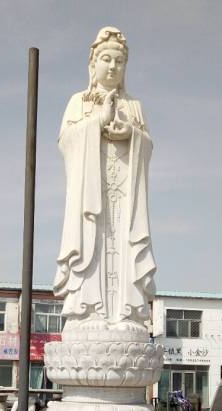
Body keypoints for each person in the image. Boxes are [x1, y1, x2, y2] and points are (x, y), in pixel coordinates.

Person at [53, 26, 156, 338]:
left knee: (125, 243)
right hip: (90, 197)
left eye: (119, 61)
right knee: (90, 242)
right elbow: (66, 142)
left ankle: (127, 312)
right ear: (93, 63)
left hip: (124, 199)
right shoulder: (79, 101)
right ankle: (89, 310)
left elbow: (147, 146)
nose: (112, 66)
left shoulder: (134, 106)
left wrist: (132, 135)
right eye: (106, 59)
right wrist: (97, 121)